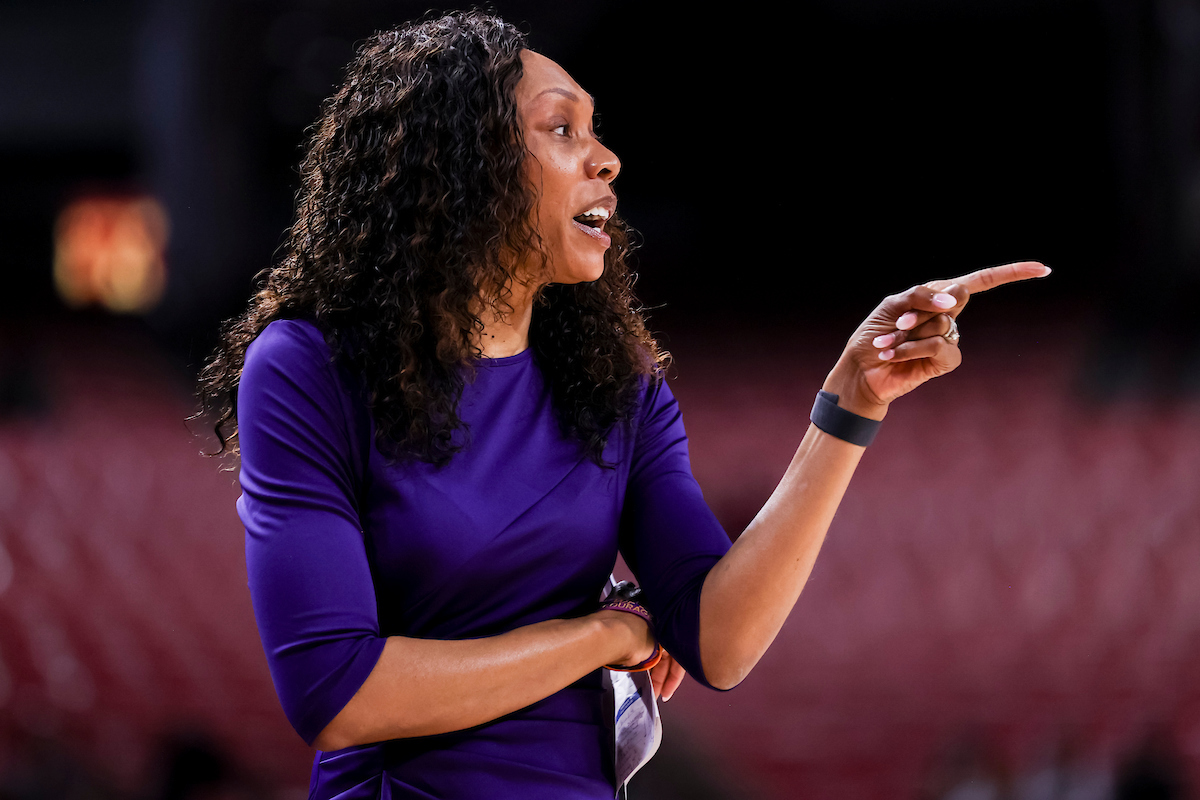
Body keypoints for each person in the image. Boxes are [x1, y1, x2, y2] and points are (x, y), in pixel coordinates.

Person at [197, 11, 1049, 800]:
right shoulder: (308, 367)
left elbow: (719, 640)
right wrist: (605, 638)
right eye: (562, 129)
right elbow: (338, 692)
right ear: (458, 166)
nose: (605, 159)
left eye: (596, 130)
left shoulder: (614, 382)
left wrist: (850, 402)